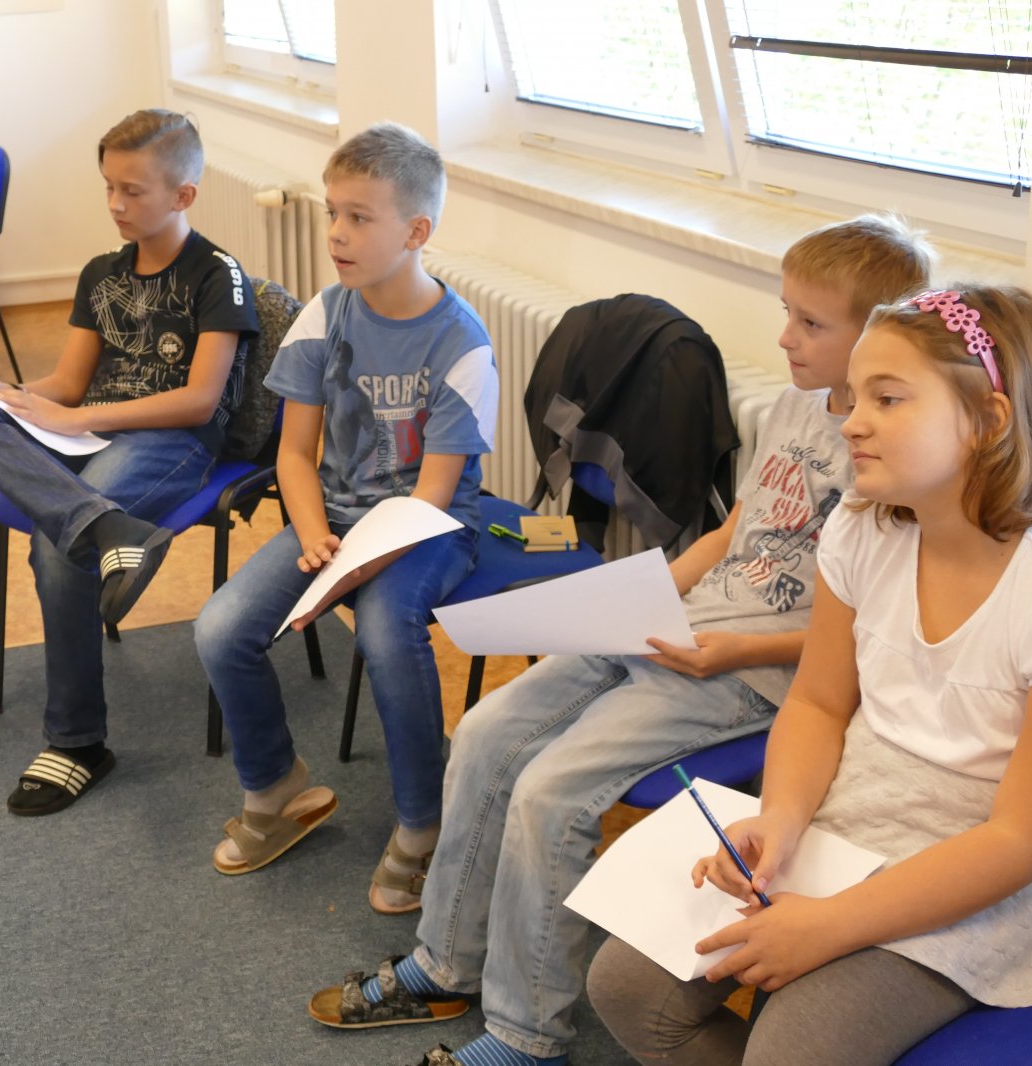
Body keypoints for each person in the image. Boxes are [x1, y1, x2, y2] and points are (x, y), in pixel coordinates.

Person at [305, 215, 933, 1066]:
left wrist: (728, 650)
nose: (786, 337)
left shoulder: (890, 457)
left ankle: (526, 1035)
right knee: (486, 732)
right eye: (787, 313)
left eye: (810, 323)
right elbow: (735, 534)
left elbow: (852, 636)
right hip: (683, 624)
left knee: (551, 791)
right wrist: (645, 593)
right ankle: (447, 963)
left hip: (747, 674)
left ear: (881, 336)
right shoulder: (795, 404)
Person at [586, 285, 1032, 1065]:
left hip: (1004, 872)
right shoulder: (862, 529)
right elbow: (820, 704)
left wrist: (830, 925)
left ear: (989, 420)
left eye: (887, 399)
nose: (852, 420)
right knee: (627, 988)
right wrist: (781, 820)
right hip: (864, 810)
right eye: (855, 397)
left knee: (792, 1051)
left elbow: (1021, 841)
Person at [193, 122, 496, 914]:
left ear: (416, 232)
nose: (335, 233)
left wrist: (349, 571)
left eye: (360, 217)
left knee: (388, 635)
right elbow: (295, 455)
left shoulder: (461, 343)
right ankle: (276, 788)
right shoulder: (325, 315)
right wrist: (315, 538)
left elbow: (433, 497)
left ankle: (424, 827)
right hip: (332, 518)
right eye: (333, 212)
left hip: (428, 528)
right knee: (220, 629)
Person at [0, 108, 257, 816]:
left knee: (58, 546)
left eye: (133, 191)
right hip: (90, 433)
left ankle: (78, 742)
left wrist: (78, 419)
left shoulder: (217, 275)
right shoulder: (100, 273)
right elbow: (68, 384)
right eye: (109, 187)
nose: (115, 203)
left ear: (184, 195)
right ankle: (108, 529)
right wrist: (8, 394)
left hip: (170, 443)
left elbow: (200, 400)